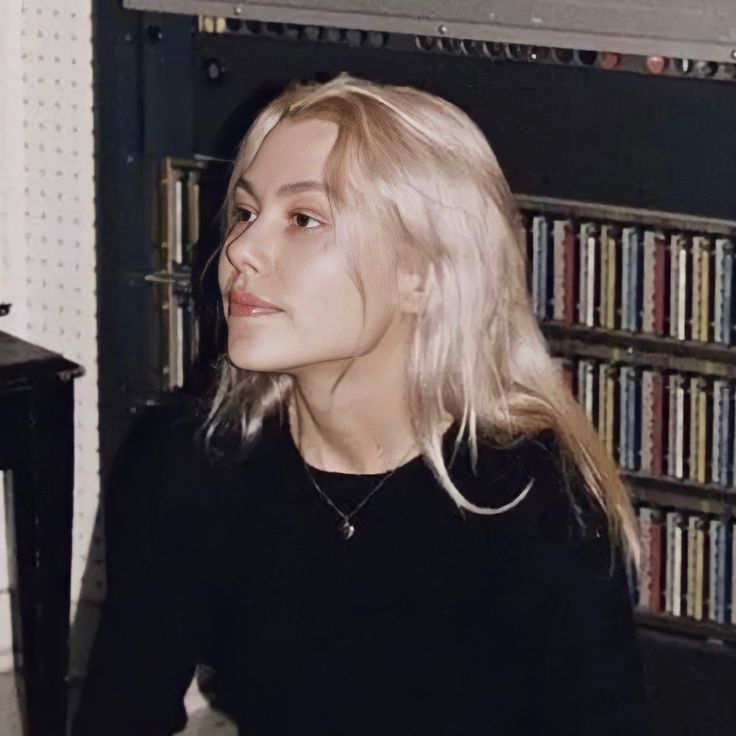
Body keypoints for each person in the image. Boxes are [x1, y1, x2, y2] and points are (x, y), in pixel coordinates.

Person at [71, 72, 651, 735]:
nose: (239, 251)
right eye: (246, 212)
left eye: (304, 219)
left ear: (422, 276)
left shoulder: (530, 496)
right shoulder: (186, 460)